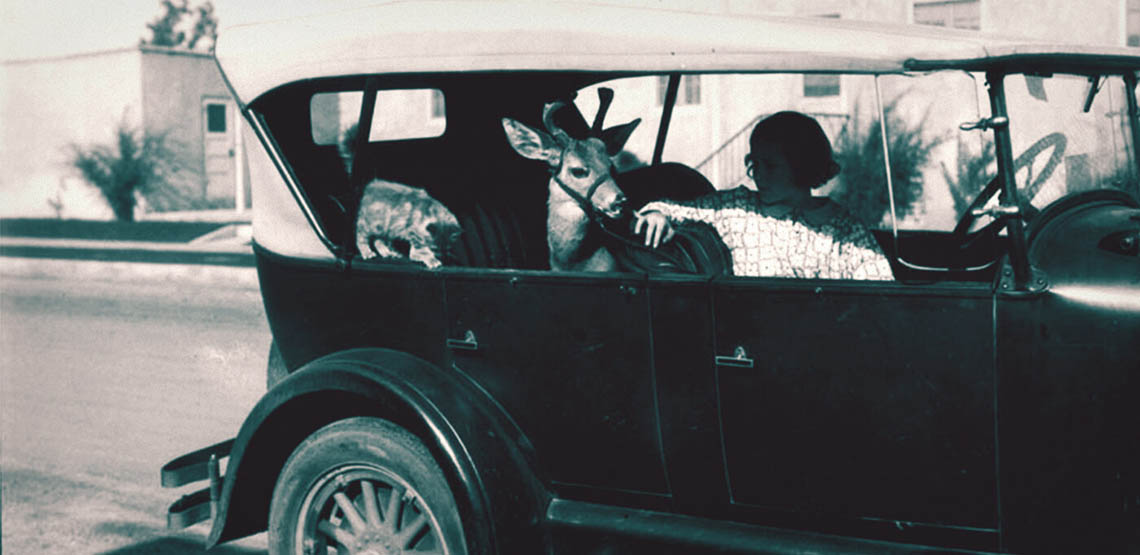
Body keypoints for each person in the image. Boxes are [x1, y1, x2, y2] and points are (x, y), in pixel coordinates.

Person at [634, 111, 893, 280]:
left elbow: (881, 289)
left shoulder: (845, 230)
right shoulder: (738, 208)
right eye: (754, 164)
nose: (759, 175)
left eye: (771, 166)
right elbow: (678, 208)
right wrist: (657, 213)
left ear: (802, 165)